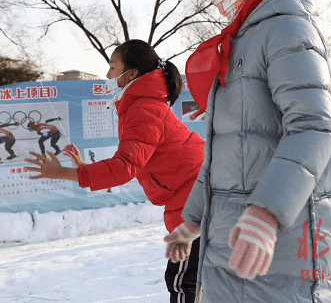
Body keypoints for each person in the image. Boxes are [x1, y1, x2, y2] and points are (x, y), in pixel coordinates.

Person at [168, 0, 331, 302]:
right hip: (234, 235)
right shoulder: (241, 41)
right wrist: (193, 219)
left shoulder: (286, 29)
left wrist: (266, 212)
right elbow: (226, 149)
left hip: (282, 237)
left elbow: (314, 126)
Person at [23, 39, 205, 303]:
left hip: (196, 199)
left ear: (131, 74)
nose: (108, 74)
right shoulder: (141, 104)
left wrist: (61, 173)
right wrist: (87, 169)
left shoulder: (143, 108)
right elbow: (132, 159)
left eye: (112, 66)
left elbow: (125, 167)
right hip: (195, 195)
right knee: (200, 280)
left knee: (184, 281)